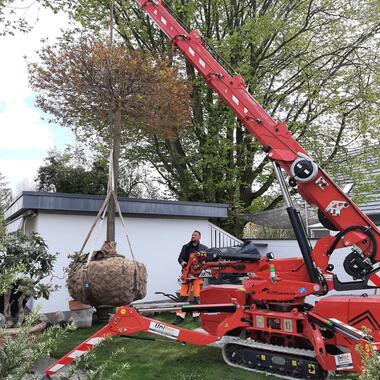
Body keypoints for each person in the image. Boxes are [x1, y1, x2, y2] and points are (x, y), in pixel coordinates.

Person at [175, 230, 208, 324]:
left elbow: (208, 259)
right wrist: (183, 263)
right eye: (192, 235)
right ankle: (180, 317)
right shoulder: (185, 247)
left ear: (199, 237)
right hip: (187, 274)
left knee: (197, 295)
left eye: (195, 235)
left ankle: (196, 316)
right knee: (183, 296)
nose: (193, 236)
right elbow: (180, 258)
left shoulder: (204, 248)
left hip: (198, 275)